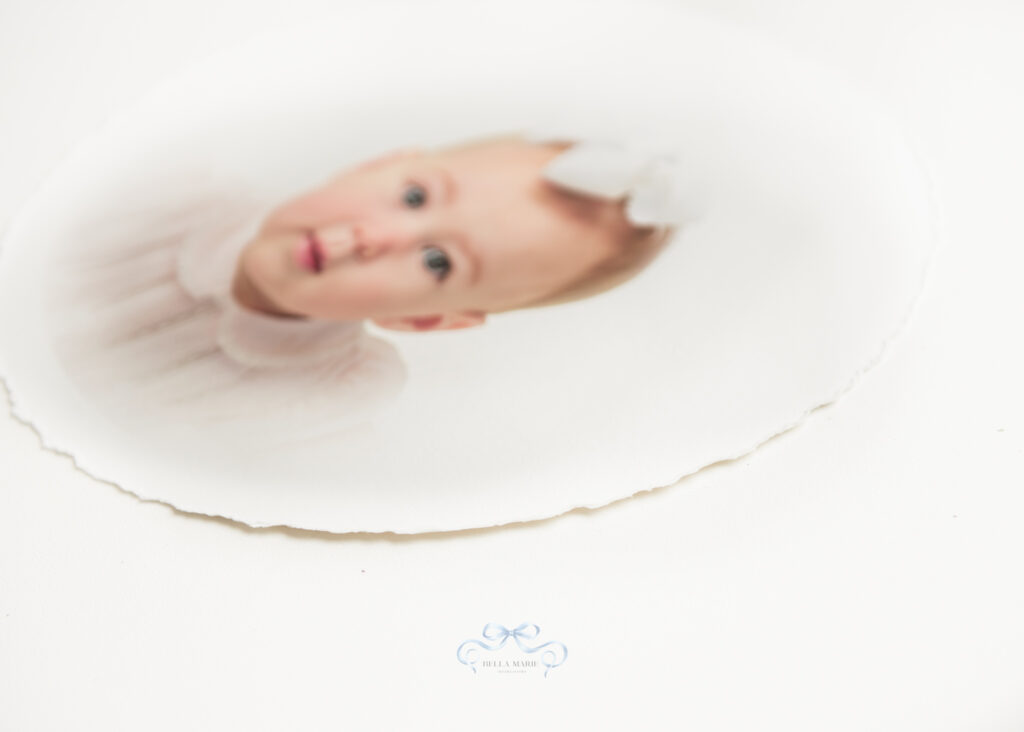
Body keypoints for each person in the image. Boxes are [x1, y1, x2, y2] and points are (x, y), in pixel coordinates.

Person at [43, 132, 681, 443]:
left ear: (424, 321)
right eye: (412, 196)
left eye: (437, 263)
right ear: (375, 163)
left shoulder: (330, 392)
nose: (380, 237)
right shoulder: (164, 189)